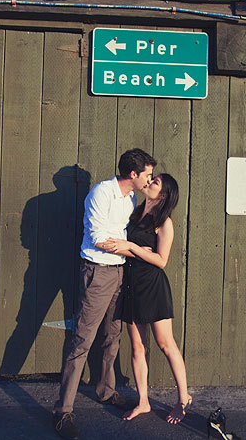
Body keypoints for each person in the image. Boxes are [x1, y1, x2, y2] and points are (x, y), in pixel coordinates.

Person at [53, 149, 156, 440]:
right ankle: (63, 411)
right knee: (83, 339)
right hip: (98, 273)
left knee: (112, 336)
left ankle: (105, 391)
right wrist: (135, 250)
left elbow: (118, 239)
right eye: (147, 174)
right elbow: (99, 240)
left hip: (120, 271)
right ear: (133, 174)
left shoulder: (131, 198)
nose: (149, 179)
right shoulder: (101, 193)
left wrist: (125, 249)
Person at [97, 173, 192, 425]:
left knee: (165, 343)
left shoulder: (164, 222)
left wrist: (133, 247)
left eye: (156, 182)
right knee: (137, 346)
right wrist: (131, 248)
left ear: (163, 195)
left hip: (152, 286)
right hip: (131, 284)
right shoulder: (135, 213)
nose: (149, 182)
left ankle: (183, 398)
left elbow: (161, 261)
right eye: (152, 179)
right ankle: (144, 402)